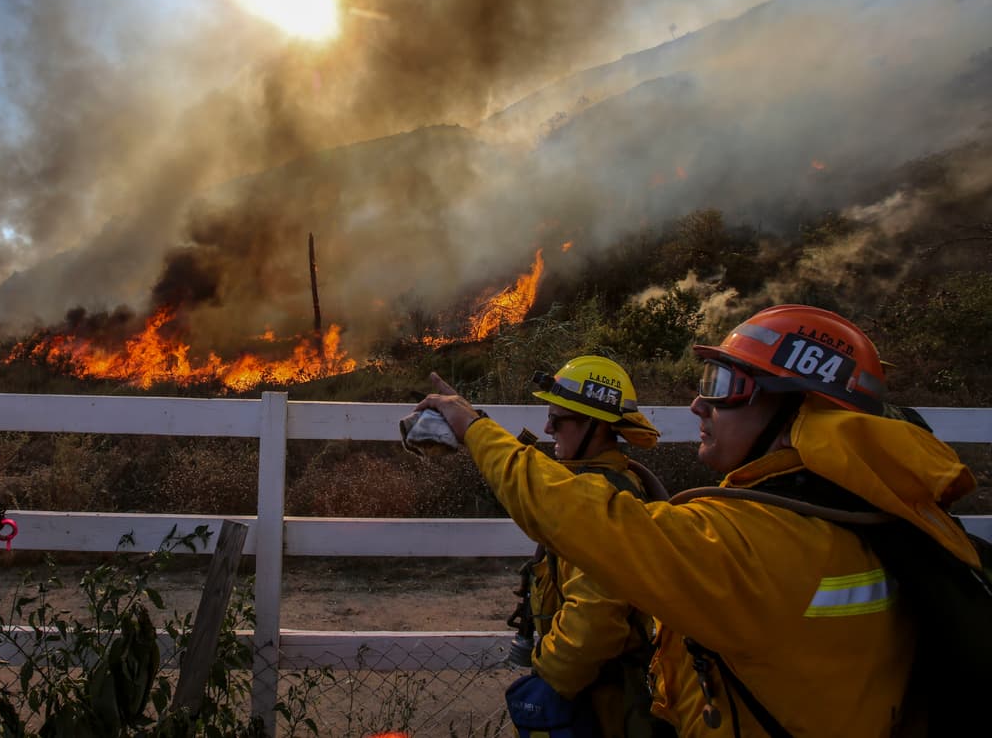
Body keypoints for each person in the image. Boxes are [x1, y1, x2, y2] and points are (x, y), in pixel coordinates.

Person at [418, 305, 979, 737]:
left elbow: (586, 521)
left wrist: (473, 428)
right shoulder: (879, 514)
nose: (698, 405)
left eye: (726, 386)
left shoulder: (755, 541)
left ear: (801, 409)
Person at [511, 356, 671, 738]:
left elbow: (596, 621)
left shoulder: (605, 498)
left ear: (597, 426)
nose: (547, 427)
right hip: (592, 689)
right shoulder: (599, 483)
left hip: (605, 701)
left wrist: (551, 679)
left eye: (559, 420)